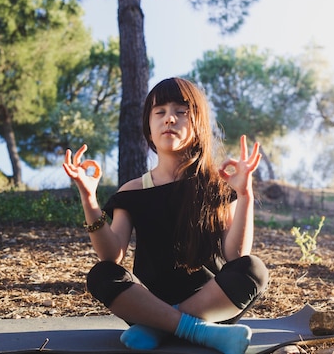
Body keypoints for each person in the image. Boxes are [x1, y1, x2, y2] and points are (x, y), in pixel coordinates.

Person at [62, 77, 269, 354]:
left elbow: (235, 254)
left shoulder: (217, 185)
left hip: (213, 305)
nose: (169, 119)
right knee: (102, 275)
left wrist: (245, 195)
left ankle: (161, 327)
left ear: (198, 124)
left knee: (253, 269)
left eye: (181, 112)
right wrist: (89, 199)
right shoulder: (133, 190)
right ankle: (197, 332)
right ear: (149, 126)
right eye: (159, 112)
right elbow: (111, 256)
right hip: (147, 302)